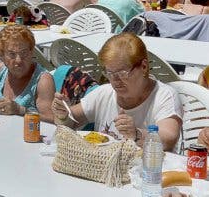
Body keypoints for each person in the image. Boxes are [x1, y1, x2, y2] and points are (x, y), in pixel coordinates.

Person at [51, 33, 182, 151]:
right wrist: (63, 114)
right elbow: (71, 122)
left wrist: (136, 134)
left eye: (122, 73)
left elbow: (169, 138)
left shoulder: (164, 96)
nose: (115, 80)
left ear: (144, 66)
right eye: (110, 73)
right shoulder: (104, 92)